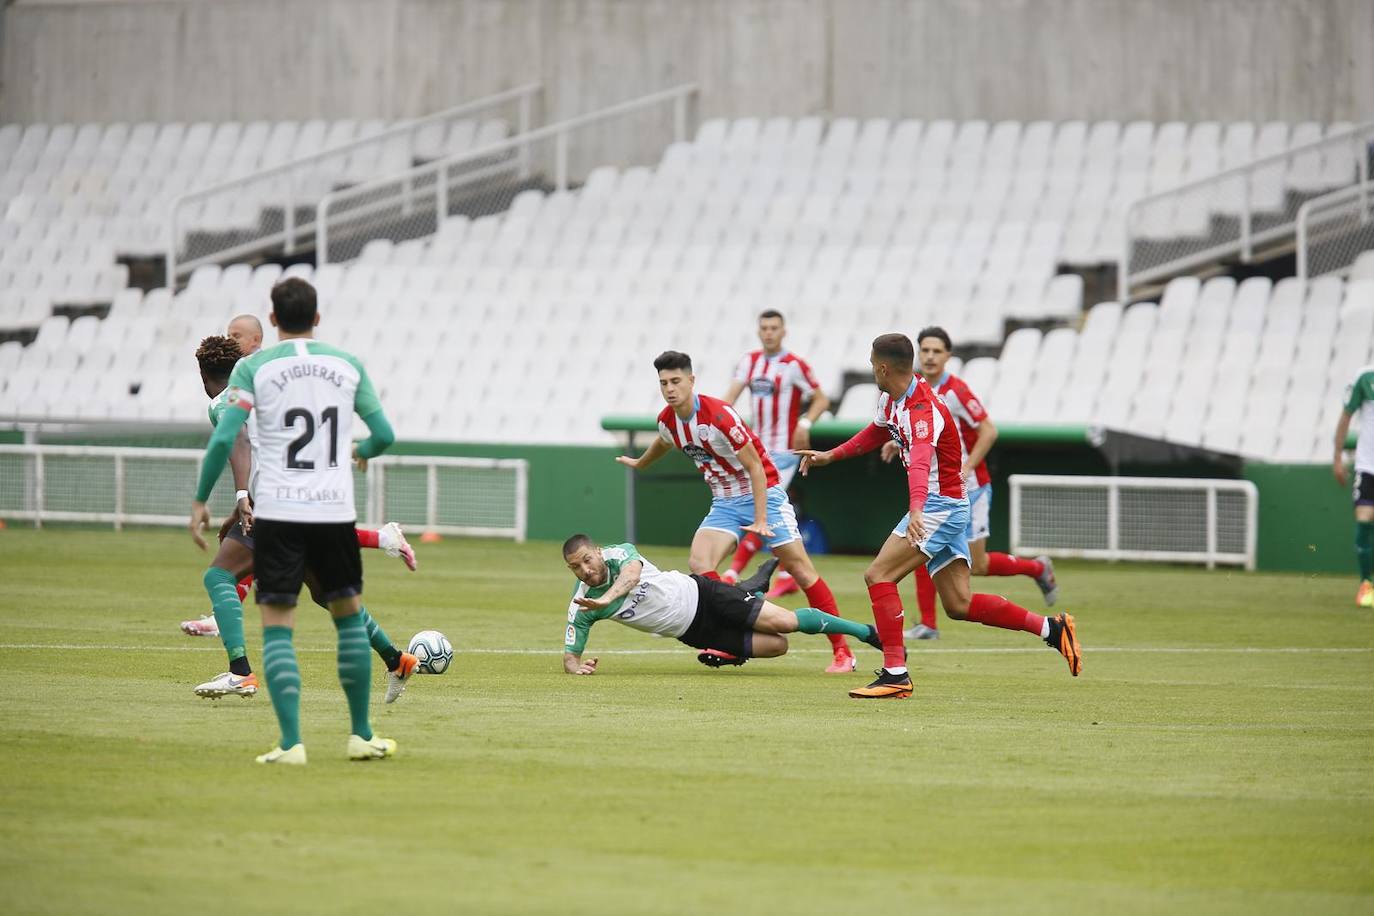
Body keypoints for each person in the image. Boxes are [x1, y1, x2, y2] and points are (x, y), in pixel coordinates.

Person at [797, 333, 1082, 699]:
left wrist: (916, 508)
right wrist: (831, 455)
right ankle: (1052, 629)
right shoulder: (891, 398)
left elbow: (919, 464)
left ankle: (896, 673)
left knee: (878, 574)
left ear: (883, 367)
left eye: (872, 365)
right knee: (959, 605)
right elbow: (875, 432)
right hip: (940, 505)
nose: (871, 371)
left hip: (939, 507)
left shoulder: (923, 409)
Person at [189, 278, 399, 765]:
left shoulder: (253, 366)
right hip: (332, 510)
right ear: (318, 317)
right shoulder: (347, 364)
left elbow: (225, 439)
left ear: (274, 319)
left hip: (278, 512)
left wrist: (202, 499)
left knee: (278, 627)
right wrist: (362, 452)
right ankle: (361, 736)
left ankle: (290, 745)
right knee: (348, 623)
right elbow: (384, 434)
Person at [615, 350, 857, 673]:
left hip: (765, 495)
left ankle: (842, 651)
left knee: (801, 570)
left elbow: (755, 466)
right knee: (700, 565)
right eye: (663, 383)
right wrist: (640, 463)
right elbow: (663, 440)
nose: (670, 388)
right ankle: (734, 639)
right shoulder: (668, 421)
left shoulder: (720, 416)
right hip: (724, 503)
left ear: (691, 381)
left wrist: (759, 519)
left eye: (676, 381)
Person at [180, 314, 415, 639]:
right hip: (288, 485)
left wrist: (234, 496)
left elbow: (238, 440)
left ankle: (238, 658)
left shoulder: (260, 379)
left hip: (296, 480)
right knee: (323, 591)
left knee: (243, 570)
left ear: (256, 341)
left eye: (237, 335)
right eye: (229, 335)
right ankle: (395, 658)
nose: (230, 339)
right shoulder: (266, 377)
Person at [885, 327, 1058, 640]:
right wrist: (898, 442)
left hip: (970, 487)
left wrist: (968, 465)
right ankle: (928, 623)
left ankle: (1036, 569)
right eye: (925, 350)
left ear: (948, 356)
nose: (930, 356)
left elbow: (989, 431)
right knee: (923, 547)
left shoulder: (956, 391)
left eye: (937, 351)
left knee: (977, 564)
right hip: (939, 490)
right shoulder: (913, 391)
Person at [560, 535, 881, 673]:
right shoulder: (583, 605)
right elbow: (570, 657)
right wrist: (577, 669)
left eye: (587, 560)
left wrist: (605, 599)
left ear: (599, 551)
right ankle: (751, 592)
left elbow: (631, 576)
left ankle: (865, 632)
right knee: (777, 646)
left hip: (703, 595)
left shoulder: (619, 555)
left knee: (784, 622)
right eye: (576, 567)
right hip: (694, 632)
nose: (585, 570)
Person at [720, 309, 831, 599]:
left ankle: (738, 571)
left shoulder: (794, 365)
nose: (769, 332)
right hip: (757, 451)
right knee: (759, 508)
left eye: (774, 328)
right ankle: (782, 574)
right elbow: (728, 401)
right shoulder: (749, 362)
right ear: (759, 331)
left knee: (764, 505)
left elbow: (821, 398)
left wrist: (806, 422)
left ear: (784, 332)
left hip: (784, 451)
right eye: (764, 327)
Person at [1334, 363, 1374, 607]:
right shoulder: (1365, 377)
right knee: (1364, 516)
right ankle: (1365, 585)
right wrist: (1337, 456)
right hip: (1367, 466)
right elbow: (1346, 415)